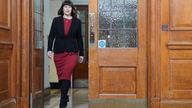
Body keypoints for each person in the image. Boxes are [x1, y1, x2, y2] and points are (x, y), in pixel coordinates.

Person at [47, 0, 84, 107]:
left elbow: (79, 38)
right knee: (61, 76)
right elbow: (51, 36)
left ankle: (62, 101)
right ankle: (65, 94)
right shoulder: (56, 20)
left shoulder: (77, 22)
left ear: (72, 9)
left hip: (72, 52)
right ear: (62, 9)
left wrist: (81, 54)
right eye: (65, 7)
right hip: (58, 52)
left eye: (69, 7)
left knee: (66, 74)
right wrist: (49, 49)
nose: (67, 9)